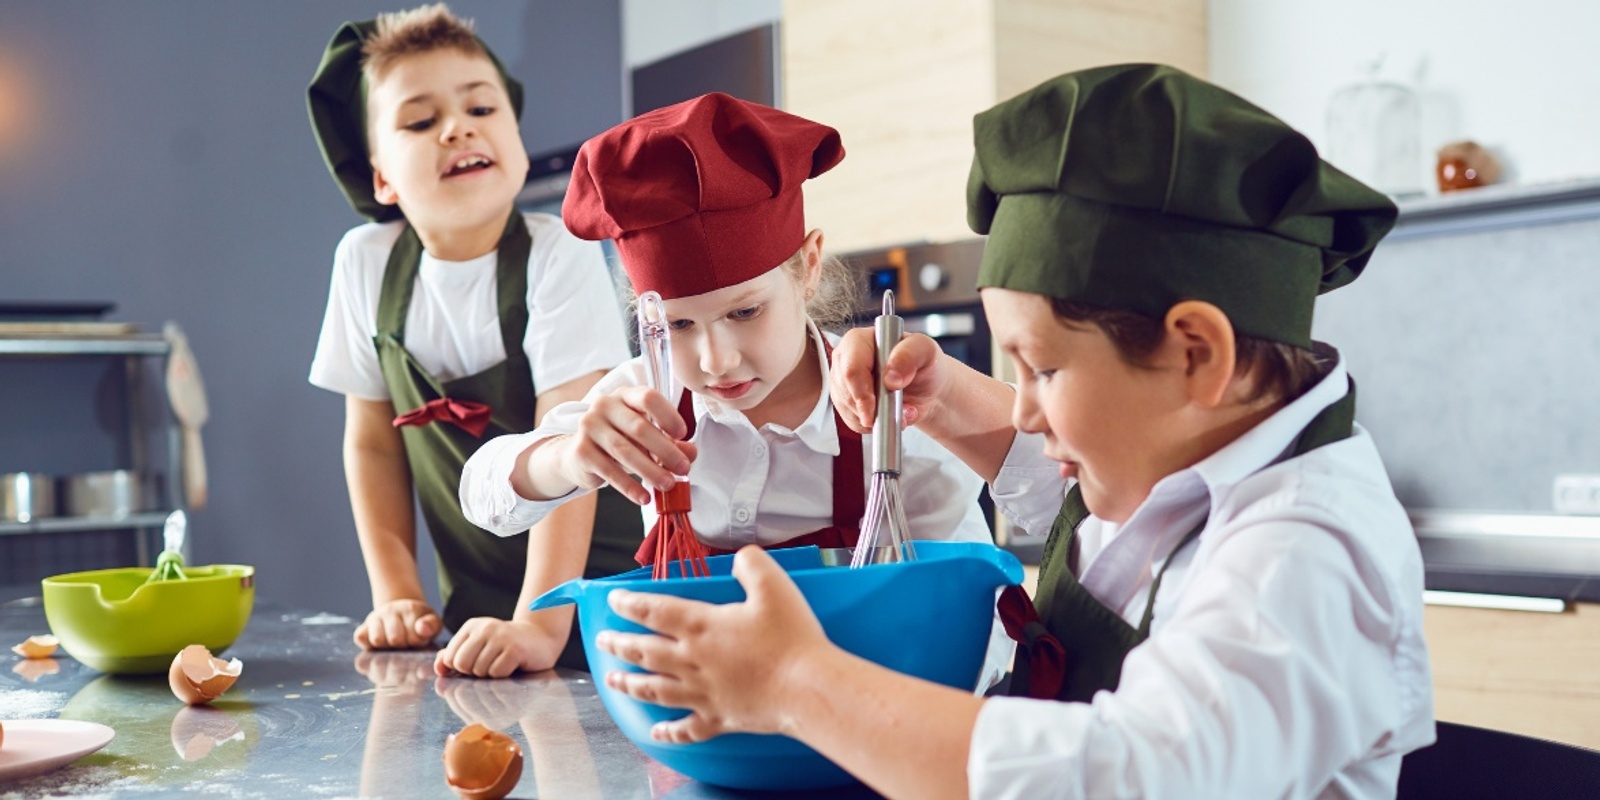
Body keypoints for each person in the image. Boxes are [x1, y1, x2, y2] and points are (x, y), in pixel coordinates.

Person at [589, 64, 1436, 799]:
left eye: (1046, 369)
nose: (1024, 407)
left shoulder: (1307, 549)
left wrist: (796, 683)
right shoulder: (1189, 459)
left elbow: (1136, 776)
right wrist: (944, 396)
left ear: (1196, 354)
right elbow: (1055, 484)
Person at [459, 92, 1013, 689]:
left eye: (746, 312)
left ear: (809, 266)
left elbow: (969, 620)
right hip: (701, 717)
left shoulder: (891, 417)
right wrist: (566, 458)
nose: (715, 359)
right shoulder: (648, 392)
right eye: (678, 326)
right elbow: (482, 494)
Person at [305, 3, 640, 678]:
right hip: (482, 610)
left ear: (514, 136)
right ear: (382, 179)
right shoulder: (365, 263)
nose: (457, 128)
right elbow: (371, 442)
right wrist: (397, 592)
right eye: (421, 121)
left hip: (608, 596)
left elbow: (568, 440)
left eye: (482, 110)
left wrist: (539, 623)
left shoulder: (559, 252)